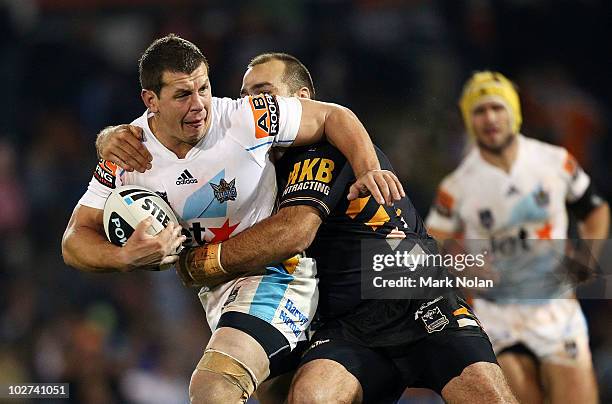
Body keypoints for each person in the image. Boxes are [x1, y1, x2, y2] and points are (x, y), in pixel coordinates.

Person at [98, 53, 517, 403]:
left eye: (262, 96)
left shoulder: (324, 147)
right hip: (345, 326)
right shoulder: (257, 166)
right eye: (244, 98)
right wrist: (111, 139)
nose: (251, 108)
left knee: (485, 393)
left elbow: (295, 230)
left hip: (413, 299)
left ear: (300, 100)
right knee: (308, 397)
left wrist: (207, 262)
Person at [61, 35, 406, 404]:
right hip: (217, 292)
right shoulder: (127, 153)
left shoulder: (245, 119)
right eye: (182, 95)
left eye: (204, 88)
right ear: (151, 100)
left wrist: (368, 169)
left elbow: (334, 116)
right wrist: (124, 257)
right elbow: (75, 239)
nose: (198, 106)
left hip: (276, 274)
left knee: (214, 386)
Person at [425, 71, 609, 404]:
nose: (490, 118)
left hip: (555, 307)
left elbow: (595, 209)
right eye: (479, 111)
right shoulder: (456, 185)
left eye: (497, 107)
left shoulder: (556, 161)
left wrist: (587, 254)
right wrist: (465, 266)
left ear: (514, 112)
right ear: (470, 120)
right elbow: (431, 242)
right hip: (498, 314)